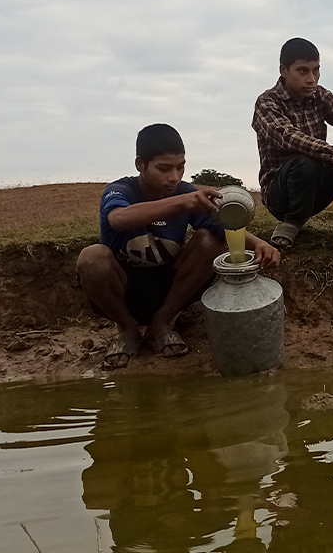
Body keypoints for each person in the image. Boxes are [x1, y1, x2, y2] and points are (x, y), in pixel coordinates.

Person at [76, 123, 281, 369]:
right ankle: (127, 330)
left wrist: (259, 243)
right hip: (125, 289)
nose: (174, 177)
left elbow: (222, 229)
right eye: (164, 169)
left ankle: (160, 324)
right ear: (140, 164)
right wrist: (182, 202)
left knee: (209, 240)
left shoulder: (184, 192)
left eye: (180, 167)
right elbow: (118, 219)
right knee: (91, 257)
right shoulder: (121, 190)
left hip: (170, 289)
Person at [251, 37, 333, 250]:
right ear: (284, 71)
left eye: (316, 71)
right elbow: (290, 138)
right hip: (281, 197)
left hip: (316, 191)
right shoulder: (267, 103)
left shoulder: (319, 96)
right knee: (305, 158)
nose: (312, 79)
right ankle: (292, 222)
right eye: (302, 71)